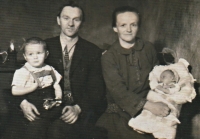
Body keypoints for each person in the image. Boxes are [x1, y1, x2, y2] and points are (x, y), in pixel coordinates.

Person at [10, 1, 106, 139]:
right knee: (34, 131)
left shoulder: (92, 51)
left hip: (76, 110)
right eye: (66, 18)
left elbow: (97, 89)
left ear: (81, 23)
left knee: (58, 132)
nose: (71, 24)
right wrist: (23, 103)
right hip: (45, 107)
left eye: (76, 19)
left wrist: (78, 108)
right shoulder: (43, 46)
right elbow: (22, 76)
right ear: (58, 20)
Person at [96, 6, 170, 139]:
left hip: (150, 103)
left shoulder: (148, 48)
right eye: (123, 25)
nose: (129, 30)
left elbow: (156, 74)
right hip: (120, 111)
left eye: (133, 25)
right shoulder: (109, 57)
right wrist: (149, 106)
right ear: (115, 28)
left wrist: (161, 87)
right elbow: (118, 91)